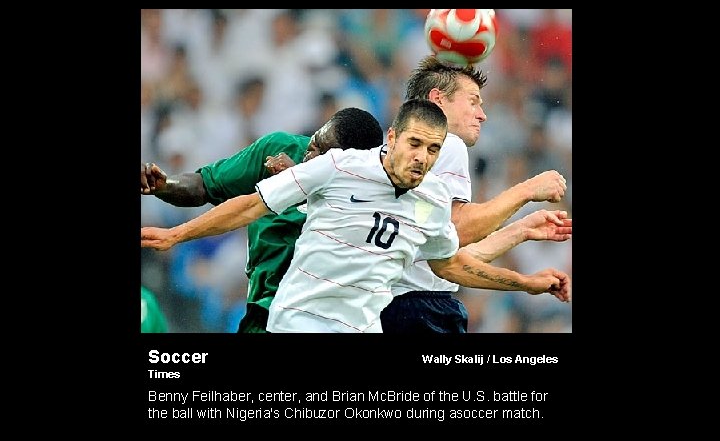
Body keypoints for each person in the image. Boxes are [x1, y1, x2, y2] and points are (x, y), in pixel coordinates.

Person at [142, 99, 571, 333]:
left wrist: (526, 282)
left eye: (432, 150)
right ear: (392, 138)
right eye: (415, 144)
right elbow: (249, 203)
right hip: (293, 321)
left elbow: (449, 263)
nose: (422, 158)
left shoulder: (432, 199)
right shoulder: (335, 168)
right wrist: (175, 234)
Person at [141, 107, 384, 333]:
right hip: (264, 312)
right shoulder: (283, 148)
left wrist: (297, 185)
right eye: (314, 142)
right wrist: (164, 186)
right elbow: (206, 186)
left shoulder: (374, 197)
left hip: (329, 318)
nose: (308, 155)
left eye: (322, 154)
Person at [381, 56, 569, 333]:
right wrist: (528, 190)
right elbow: (458, 229)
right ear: (438, 100)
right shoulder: (447, 143)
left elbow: (445, 257)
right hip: (418, 309)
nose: (482, 114)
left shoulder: (390, 156)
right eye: (473, 101)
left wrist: (520, 230)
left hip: (387, 305)